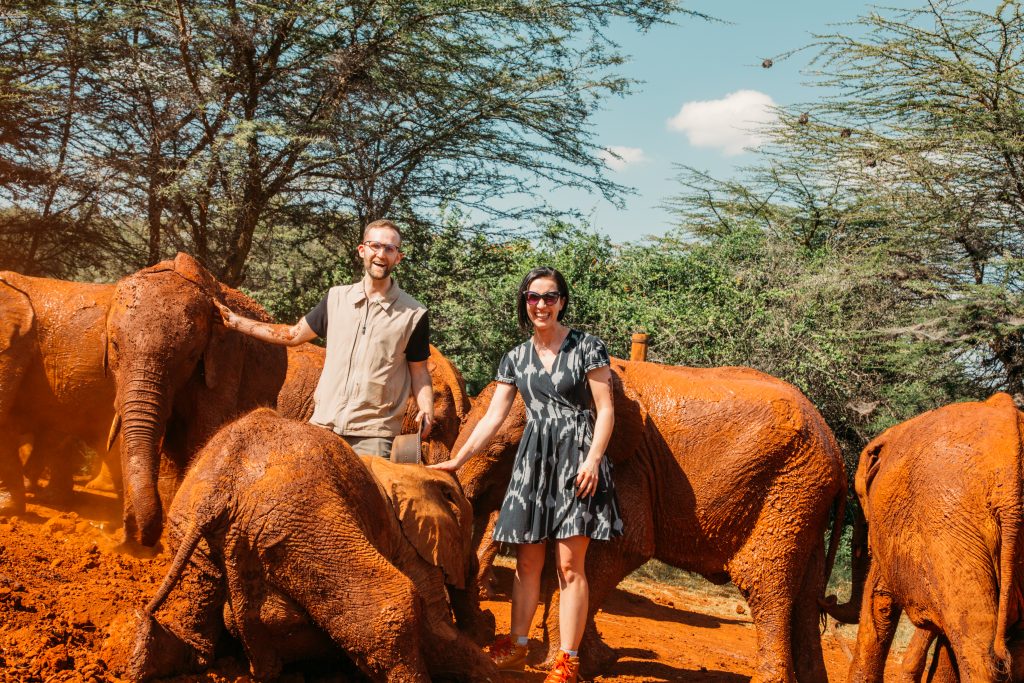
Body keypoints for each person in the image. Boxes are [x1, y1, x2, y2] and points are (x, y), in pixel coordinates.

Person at [430, 266, 622, 683]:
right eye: (533, 297)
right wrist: (458, 460)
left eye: (549, 297)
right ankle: (517, 649)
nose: (541, 305)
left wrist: (592, 460)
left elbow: (606, 410)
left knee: (570, 566)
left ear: (563, 302)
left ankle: (566, 660)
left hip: (577, 458)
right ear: (525, 302)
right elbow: (493, 418)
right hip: (534, 462)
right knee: (526, 563)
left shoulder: (588, 347)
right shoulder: (515, 357)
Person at [216, 219, 433, 457]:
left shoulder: (414, 313)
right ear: (362, 250)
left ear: (397, 258)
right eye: (375, 246)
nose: (381, 254)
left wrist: (426, 409)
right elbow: (293, 335)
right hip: (322, 427)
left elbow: (419, 372)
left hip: (374, 436)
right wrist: (236, 322)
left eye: (389, 249)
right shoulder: (336, 299)